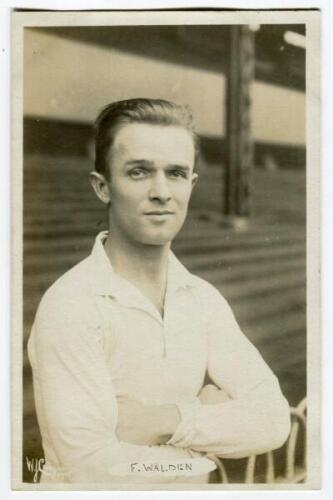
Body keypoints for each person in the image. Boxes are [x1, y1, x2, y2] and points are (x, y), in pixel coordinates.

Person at [27, 98, 291, 485]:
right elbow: (94, 471)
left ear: (192, 184)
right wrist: (200, 443)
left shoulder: (202, 299)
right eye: (139, 172)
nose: (162, 192)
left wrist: (165, 420)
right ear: (103, 187)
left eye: (176, 173)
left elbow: (274, 420)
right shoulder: (70, 305)